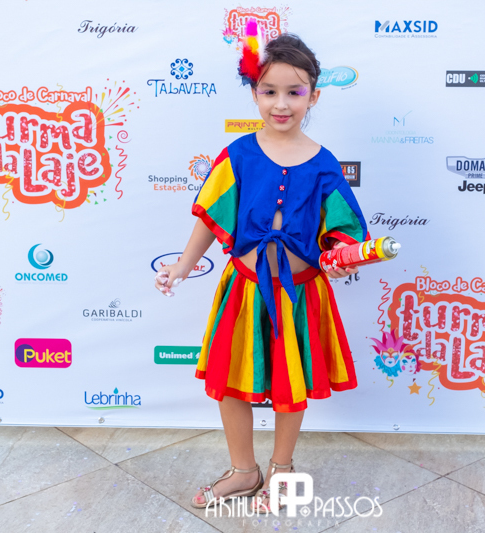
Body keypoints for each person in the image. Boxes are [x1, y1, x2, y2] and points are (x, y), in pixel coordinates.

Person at [154, 29, 368, 512]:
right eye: (269, 91)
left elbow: (342, 232)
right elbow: (210, 217)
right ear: (255, 94)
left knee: (291, 383)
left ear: (314, 96)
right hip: (245, 290)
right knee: (231, 380)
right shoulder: (238, 155)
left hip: (299, 293)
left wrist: (341, 258)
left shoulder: (324, 164)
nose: (281, 104)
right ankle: (244, 470)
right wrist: (183, 266)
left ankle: (282, 471)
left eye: (294, 92)